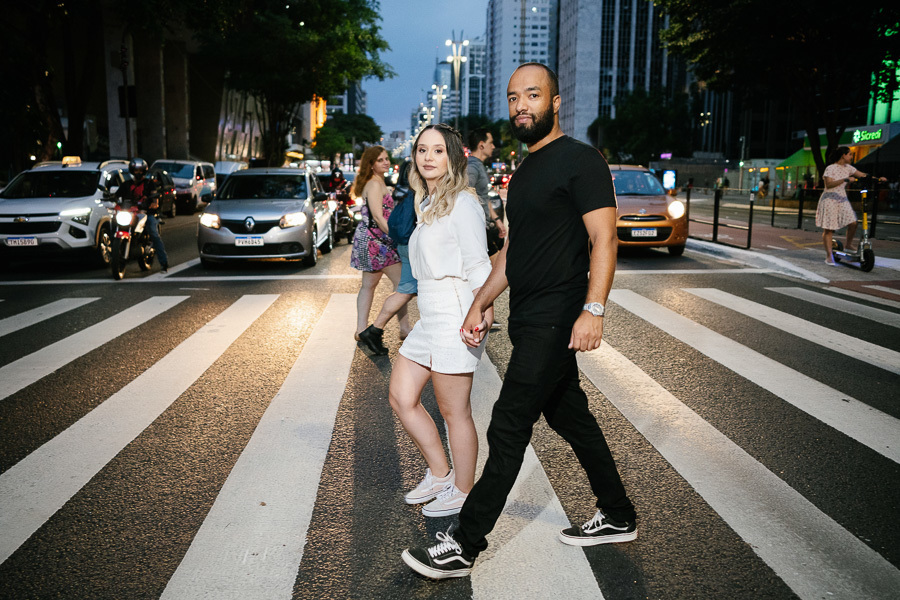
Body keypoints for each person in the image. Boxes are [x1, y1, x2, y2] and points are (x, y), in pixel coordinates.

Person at [401, 63, 637, 580]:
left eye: (532, 95)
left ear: (555, 102)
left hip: (558, 314)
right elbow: (513, 250)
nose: (520, 106)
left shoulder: (581, 160)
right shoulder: (526, 171)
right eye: (513, 98)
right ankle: (618, 514)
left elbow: (605, 239)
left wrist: (593, 309)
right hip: (528, 315)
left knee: (508, 424)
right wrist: (481, 301)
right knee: (570, 417)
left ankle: (464, 543)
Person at [389, 123, 493, 520]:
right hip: (429, 313)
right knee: (402, 397)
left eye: (437, 150)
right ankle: (440, 474)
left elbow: (478, 263)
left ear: (453, 157)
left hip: (455, 310)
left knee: (455, 412)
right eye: (421, 150)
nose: (428, 157)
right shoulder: (427, 201)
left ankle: (464, 490)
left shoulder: (463, 203)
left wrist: (480, 311)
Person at [351, 146, 409, 352]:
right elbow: (377, 216)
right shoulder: (375, 185)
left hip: (372, 240)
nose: (385, 162)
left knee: (368, 285)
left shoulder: (376, 182)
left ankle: (361, 329)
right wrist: (396, 236)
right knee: (403, 285)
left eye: (386, 158)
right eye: (380, 160)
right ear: (371, 164)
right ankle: (403, 329)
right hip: (378, 242)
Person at [364, 160, 418, 346]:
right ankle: (374, 329)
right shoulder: (416, 192)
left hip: (403, 243)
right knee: (406, 290)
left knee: (407, 289)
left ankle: (377, 329)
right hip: (412, 244)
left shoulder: (400, 191)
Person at [816, 146, 886, 265]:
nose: (851, 157)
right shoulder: (830, 168)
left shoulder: (849, 168)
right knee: (829, 229)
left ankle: (848, 244)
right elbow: (829, 184)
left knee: (853, 222)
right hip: (829, 200)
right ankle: (829, 256)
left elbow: (863, 175)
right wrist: (846, 180)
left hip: (842, 199)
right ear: (843, 155)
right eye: (850, 154)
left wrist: (878, 179)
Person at [115, 157, 168, 273]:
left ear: (144, 171)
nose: (137, 173)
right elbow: (116, 196)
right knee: (113, 224)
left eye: (140, 170)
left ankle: (164, 263)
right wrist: (110, 198)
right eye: (135, 170)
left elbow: (155, 201)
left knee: (154, 233)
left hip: (145, 214)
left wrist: (151, 204)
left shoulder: (150, 184)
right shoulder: (126, 184)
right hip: (129, 213)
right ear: (131, 171)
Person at [466, 128, 507, 259]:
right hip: (475, 228)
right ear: (481, 145)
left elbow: (483, 197)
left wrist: (497, 220)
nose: (493, 146)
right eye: (491, 142)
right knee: (497, 265)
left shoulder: (478, 165)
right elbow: (465, 194)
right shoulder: (472, 167)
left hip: (482, 227)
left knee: (493, 267)